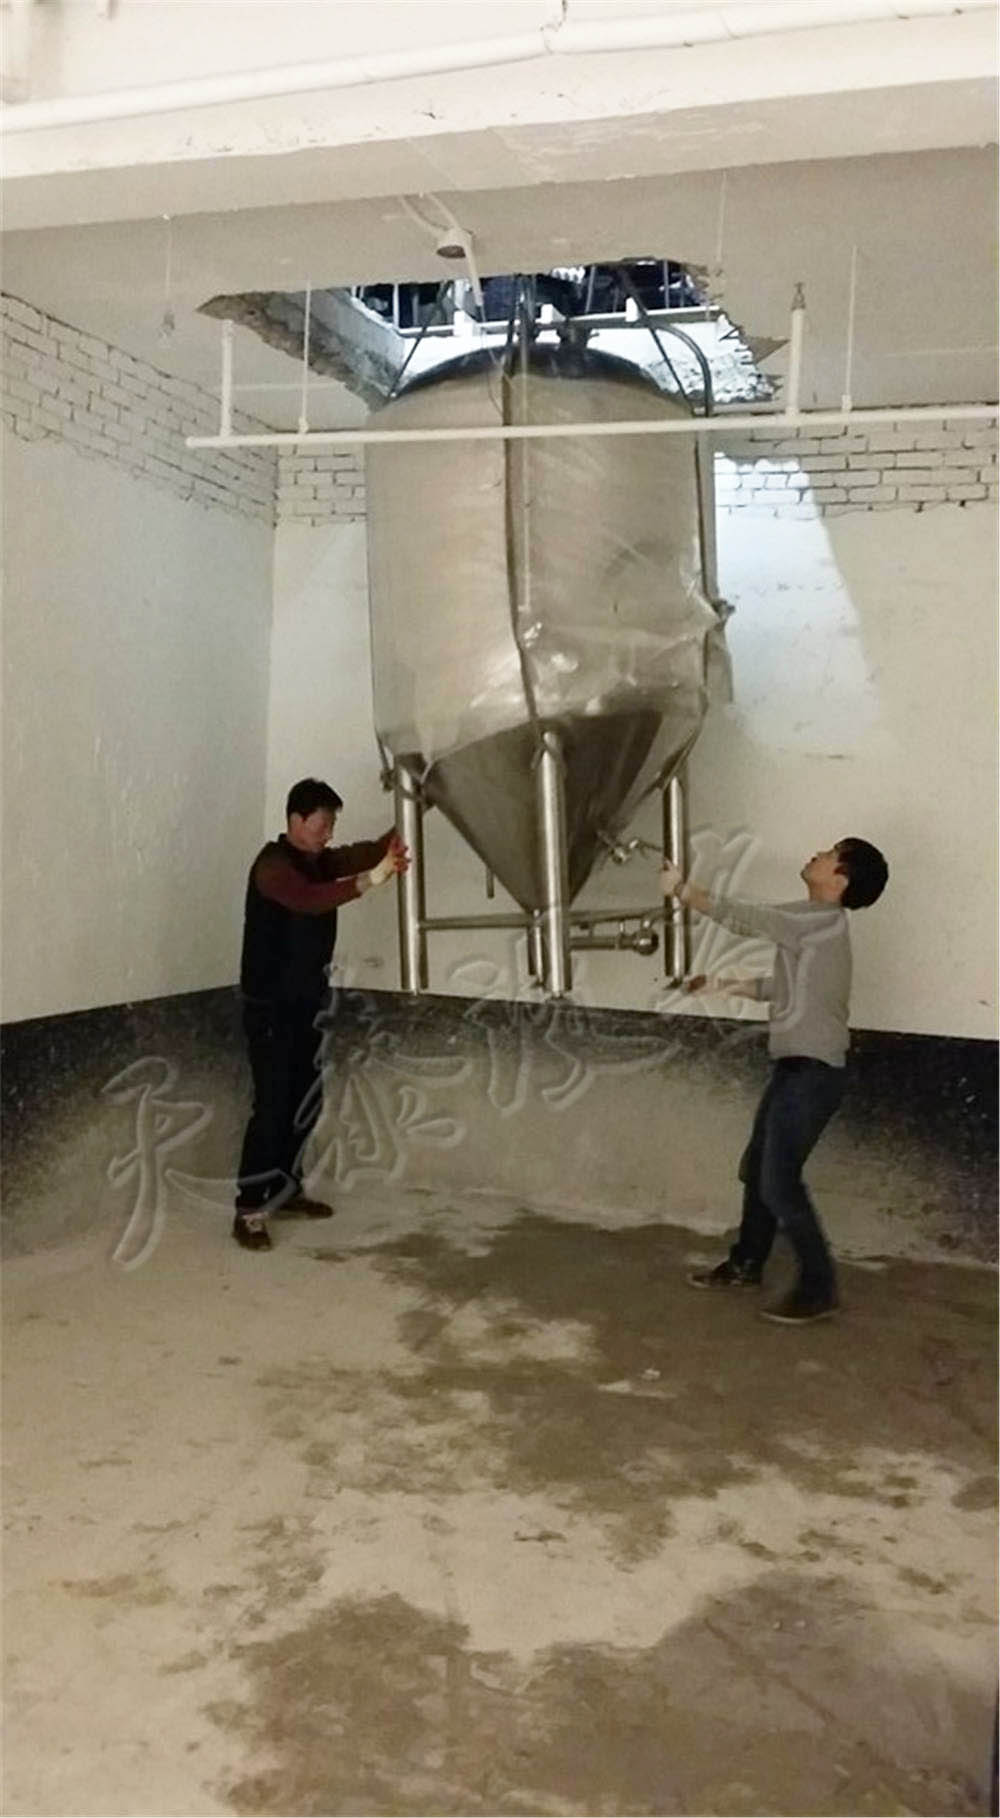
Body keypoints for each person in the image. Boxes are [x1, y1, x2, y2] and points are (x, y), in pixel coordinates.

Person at [661, 837, 889, 1324]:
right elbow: (780, 987)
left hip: (812, 1074)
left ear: (839, 880)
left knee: (779, 1182)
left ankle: (819, 1288)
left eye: (829, 854)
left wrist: (682, 890)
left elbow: (747, 918)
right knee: (759, 1170)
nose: (817, 854)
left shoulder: (816, 919)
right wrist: (722, 984)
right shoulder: (817, 930)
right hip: (799, 1070)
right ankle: (747, 1264)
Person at [233, 777, 408, 1251]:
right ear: (296, 819)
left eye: (332, 825)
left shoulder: (319, 860)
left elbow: (368, 851)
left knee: (304, 1103)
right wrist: (372, 879)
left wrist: (419, 808)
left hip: (307, 1005)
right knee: (272, 1107)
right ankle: (249, 1209)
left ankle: (285, 1189)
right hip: (269, 1009)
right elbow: (310, 900)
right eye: (322, 824)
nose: (329, 834)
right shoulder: (273, 867)